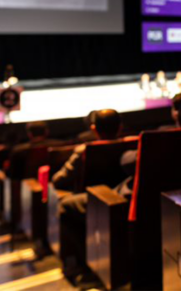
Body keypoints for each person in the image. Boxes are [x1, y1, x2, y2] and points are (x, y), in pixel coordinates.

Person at [53, 109, 121, 285]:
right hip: (121, 197)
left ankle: (83, 263)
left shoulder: (84, 150)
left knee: (64, 206)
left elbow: (58, 181)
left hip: (96, 201)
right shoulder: (133, 144)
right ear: (120, 127)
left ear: (94, 129)